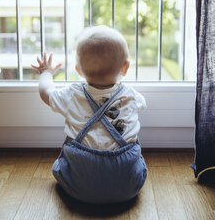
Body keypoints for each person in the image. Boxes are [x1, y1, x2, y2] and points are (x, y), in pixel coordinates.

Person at [32, 25, 147, 204]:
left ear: (78, 70)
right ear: (125, 67)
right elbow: (141, 106)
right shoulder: (132, 96)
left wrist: (46, 72)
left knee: (62, 161)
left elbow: (46, 93)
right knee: (135, 153)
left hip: (77, 185)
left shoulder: (72, 94)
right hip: (128, 186)